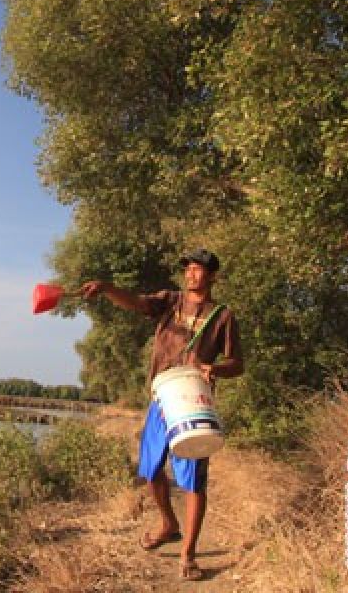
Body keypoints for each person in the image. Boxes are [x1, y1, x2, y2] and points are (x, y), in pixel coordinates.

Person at [80, 248, 243, 581]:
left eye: (199, 270)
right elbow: (138, 303)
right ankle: (168, 523)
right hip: (162, 397)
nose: (191, 274)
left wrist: (215, 368)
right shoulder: (170, 301)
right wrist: (108, 288)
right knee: (151, 468)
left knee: (193, 478)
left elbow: (237, 364)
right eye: (189, 269)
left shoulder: (222, 316)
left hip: (194, 401)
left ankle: (188, 555)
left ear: (212, 276)